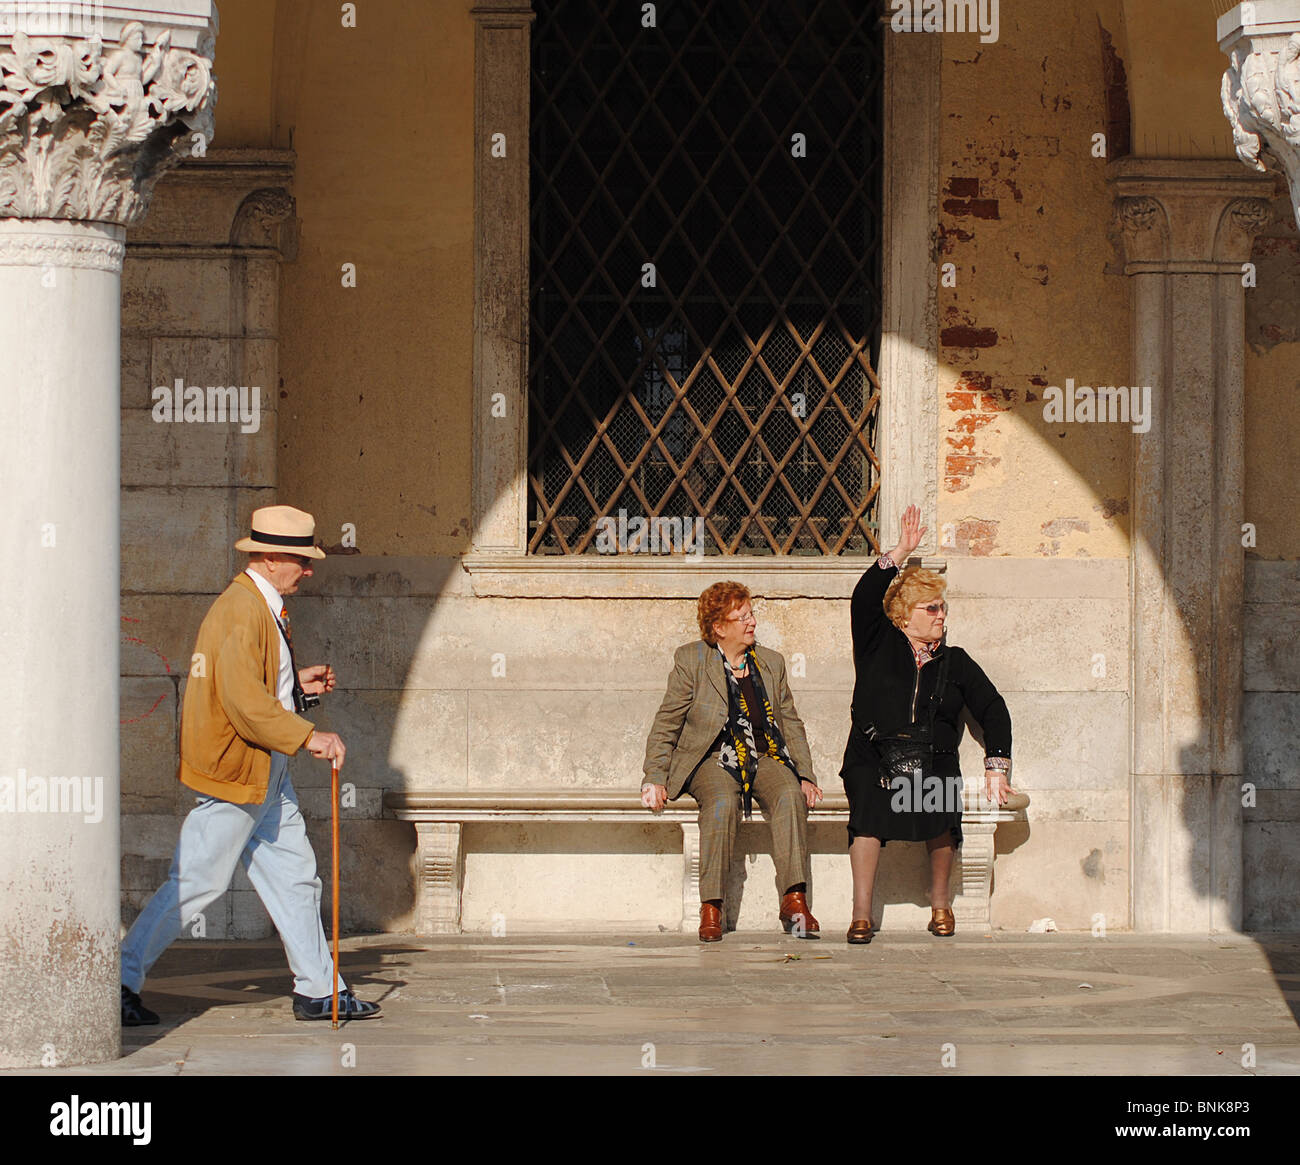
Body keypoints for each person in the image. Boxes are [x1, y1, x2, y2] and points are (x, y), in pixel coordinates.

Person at [120, 505, 382, 1024]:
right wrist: (308, 735)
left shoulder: (261, 604)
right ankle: (119, 982)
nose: (308, 570)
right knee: (196, 881)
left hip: (265, 772)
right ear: (267, 557)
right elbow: (241, 701)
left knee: (295, 880)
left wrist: (296, 691)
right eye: (300, 561)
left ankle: (319, 990)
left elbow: (256, 691)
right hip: (238, 774)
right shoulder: (240, 610)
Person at [840, 505, 1014, 943]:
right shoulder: (878, 643)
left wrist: (997, 765)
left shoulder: (955, 661)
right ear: (904, 614)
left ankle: (941, 906)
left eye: (943, 607)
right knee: (868, 814)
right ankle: (861, 914)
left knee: (941, 806)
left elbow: (993, 707)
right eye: (932, 607)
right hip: (875, 756)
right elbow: (864, 598)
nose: (941, 615)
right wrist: (900, 551)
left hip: (932, 757)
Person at [642, 581, 824, 942]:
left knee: (789, 793)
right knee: (722, 802)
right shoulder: (692, 659)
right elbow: (667, 722)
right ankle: (712, 905)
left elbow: (790, 722)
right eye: (741, 617)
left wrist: (805, 774)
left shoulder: (771, 663)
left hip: (763, 754)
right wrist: (655, 776)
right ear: (719, 628)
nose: (751, 622)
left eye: (751, 613)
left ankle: (794, 898)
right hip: (712, 758)